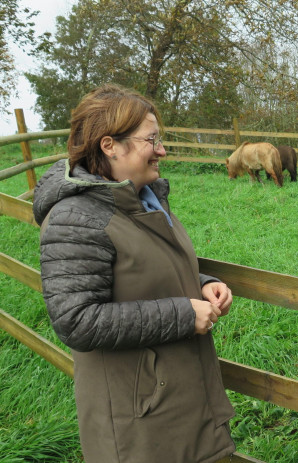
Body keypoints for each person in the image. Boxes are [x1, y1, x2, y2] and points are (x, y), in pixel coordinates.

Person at [32, 84, 236, 463]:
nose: (162, 150)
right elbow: (76, 321)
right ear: (110, 145)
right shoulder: (75, 219)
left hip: (177, 397)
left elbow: (148, 267)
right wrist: (184, 314)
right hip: (136, 418)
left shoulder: (145, 199)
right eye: (152, 139)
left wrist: (204, 284)